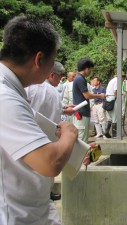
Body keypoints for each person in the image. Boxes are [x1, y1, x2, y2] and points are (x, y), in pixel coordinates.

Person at [0, 16, 78, 225]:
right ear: (39, 59)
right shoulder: (5, 97)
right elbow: (49, 162)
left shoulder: (13, 89)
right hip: (15, 215)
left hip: (33, 205)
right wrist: (69, 135)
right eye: (53, 61)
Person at [25, 61, 75, 202]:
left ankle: (43, 194)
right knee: (46, 169)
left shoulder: (29, 87)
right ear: (52, 74)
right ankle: (47, 194)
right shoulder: (53, 92)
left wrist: (65, 109)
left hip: (31, 136)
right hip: (48, 137)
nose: (60, 80)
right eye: (59, 77)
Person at [72, 58, 106, 143]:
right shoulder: (80, 78)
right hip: (81, 113)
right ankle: (81, 156)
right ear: (86, 68)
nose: (90, 71)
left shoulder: (79, 78)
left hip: (82, 112)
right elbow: (87, 95)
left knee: (83, 138)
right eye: (90, 69)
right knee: (82, 140)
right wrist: (100, 95)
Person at [103, 72, 126, 138]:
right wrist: (117, 99)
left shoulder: (112, 80)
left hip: (108, 99)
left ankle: (106, 131)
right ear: (122, 77)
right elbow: (115, 91)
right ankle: (115, 134)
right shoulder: (117, 80)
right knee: (115, 117)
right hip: (113, 99)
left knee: (110, 117)